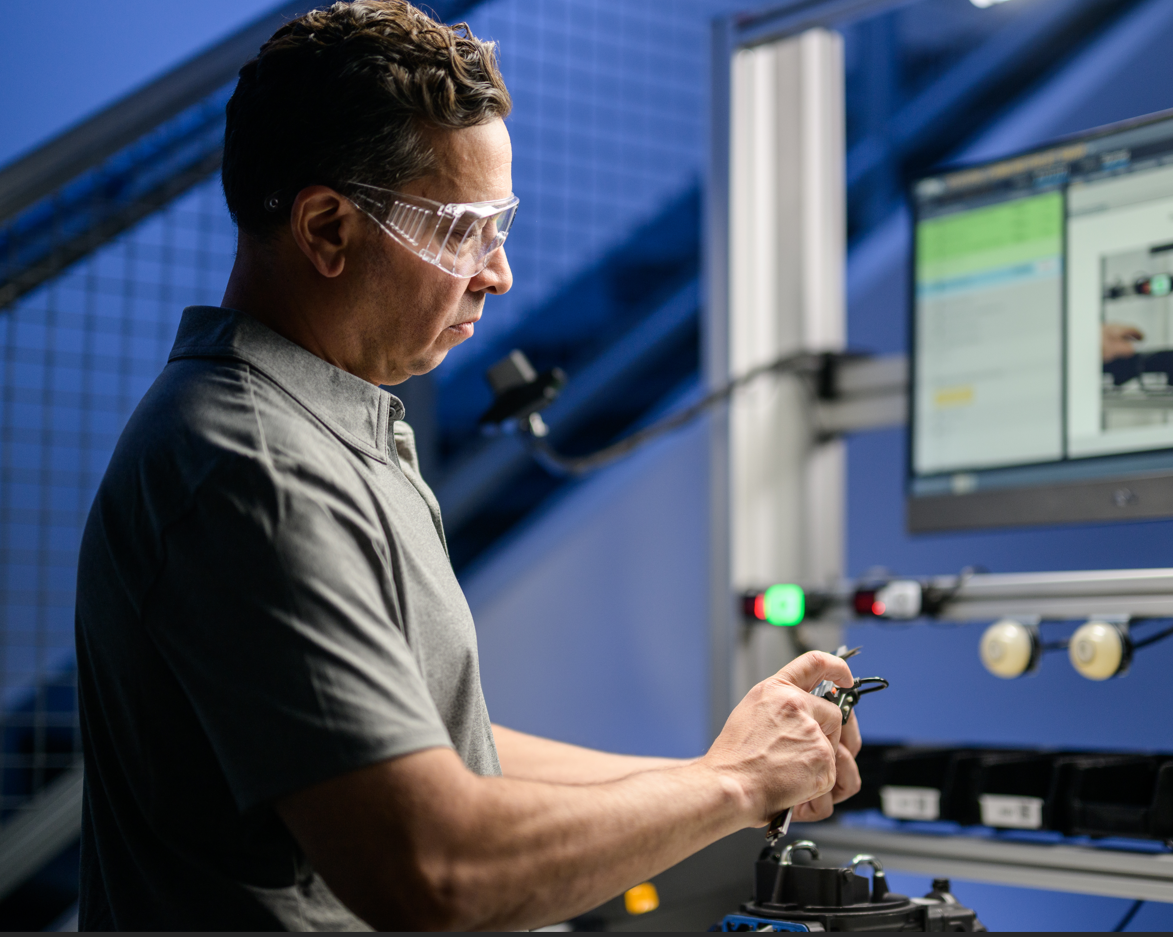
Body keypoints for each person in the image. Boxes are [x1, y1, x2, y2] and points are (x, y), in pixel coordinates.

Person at [74, 1, 863, 930]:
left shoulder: (329, 430)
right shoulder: (252, 468)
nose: (499, 273)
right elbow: (434, 864)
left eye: (502, 224)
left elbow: (453, 754)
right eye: (461, 230)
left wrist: (718, 771)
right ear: (327, 230)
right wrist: (735, 784)